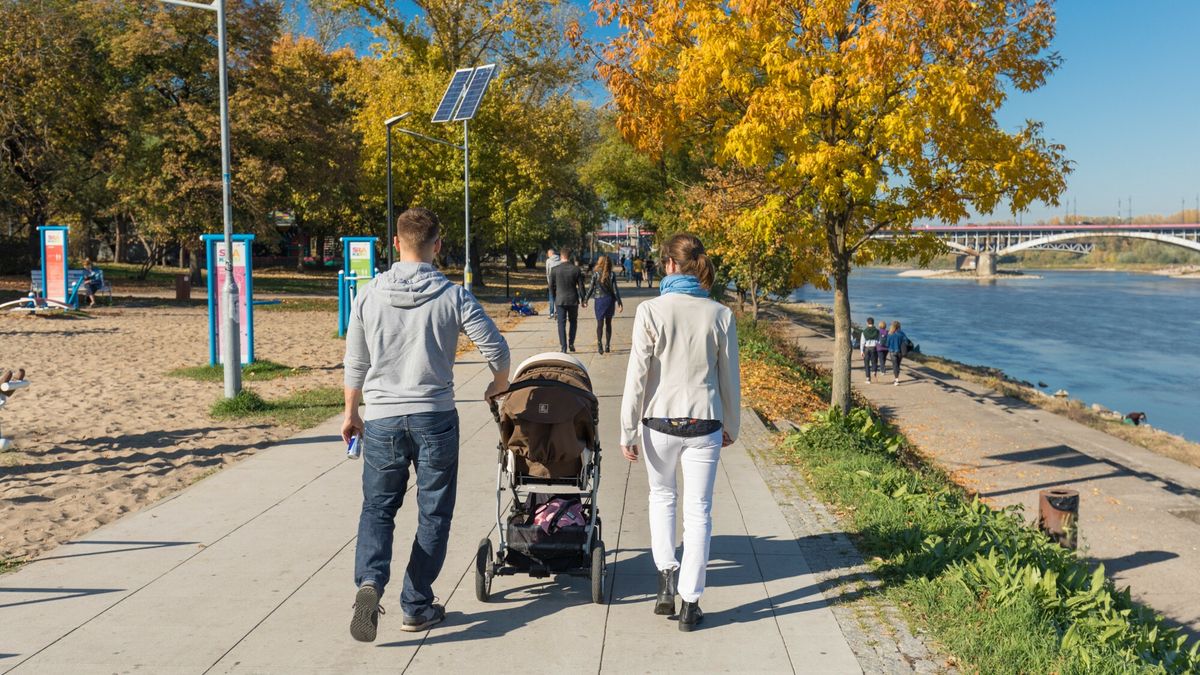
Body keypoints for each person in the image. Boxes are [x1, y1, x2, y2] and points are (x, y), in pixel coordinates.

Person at [342, 207, 511, 642]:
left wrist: (351, 414)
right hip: (434, 416)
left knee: (378, 509)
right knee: (433, 512)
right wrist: (499, 384)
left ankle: (369, 582)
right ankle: (416, 604)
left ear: (395, 243)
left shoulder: (368, 294)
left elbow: (356, 363)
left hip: (381, 419)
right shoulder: (453, 296)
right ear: (437, 245)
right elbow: (496, 347)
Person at [620, 233, 741, 632]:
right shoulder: (720, 314)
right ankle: (691, 601)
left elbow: (637, 375)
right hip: (704, 421)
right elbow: (729, 379)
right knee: (698, 512)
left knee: (662, 498)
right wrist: (732, 425)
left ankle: (665, 582)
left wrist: (627, 429)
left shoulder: (650, 311)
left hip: (659, 422)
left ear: (669, 265)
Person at [549, 246, 587, 352]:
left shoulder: (554, 270)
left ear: (561, 256)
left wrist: (554, 298)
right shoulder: (576, 269)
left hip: (560, 300)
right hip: (573, 300)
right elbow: (581, 286)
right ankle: (571, 343)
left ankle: (563, 347)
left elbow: (551, 286)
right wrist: (584, 299)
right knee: (573, 322)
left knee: (561, 324)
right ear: (570, 257)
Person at [585, 254, 623, 354]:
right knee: (608, 323)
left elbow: (591, 288)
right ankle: (607, 345)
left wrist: (585, 300)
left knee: (599, 324)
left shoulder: (596, 274)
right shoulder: (612, 274)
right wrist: (619, 302)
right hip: (609, 300)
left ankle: (599, 344)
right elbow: (615, 290)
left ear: (600, 263)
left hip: (599, 301)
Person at [885, 320, 909, 386]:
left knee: (895, 365)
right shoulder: (902, 333)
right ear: (899, 326)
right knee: (897, 365)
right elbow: (906, 342)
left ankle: (896, 379)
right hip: (900, 352)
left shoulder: (890, 334)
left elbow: (887, 344)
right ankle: (897, 378)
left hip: (892, 351)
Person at [858, 317, 880, 384]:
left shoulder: (864, 332)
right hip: (874, 348)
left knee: (866, 364)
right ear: (873, 322)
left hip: (867, 348)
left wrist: (861, 351)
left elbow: (862, 342)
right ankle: (874, 371)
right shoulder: (877, 331)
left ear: (867, 323)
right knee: (874, 361)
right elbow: (879, 341)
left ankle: (868, 379)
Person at [544, 248, 560, 319]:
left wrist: (548, 282)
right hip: (559, 282)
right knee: (558, 298)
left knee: (551, 298)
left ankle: (551, 313)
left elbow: (547, 272)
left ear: (550, 254)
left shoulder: (548, 261)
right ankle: (558, 312)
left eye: (548, 254)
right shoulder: (560, 260)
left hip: (551, 281)